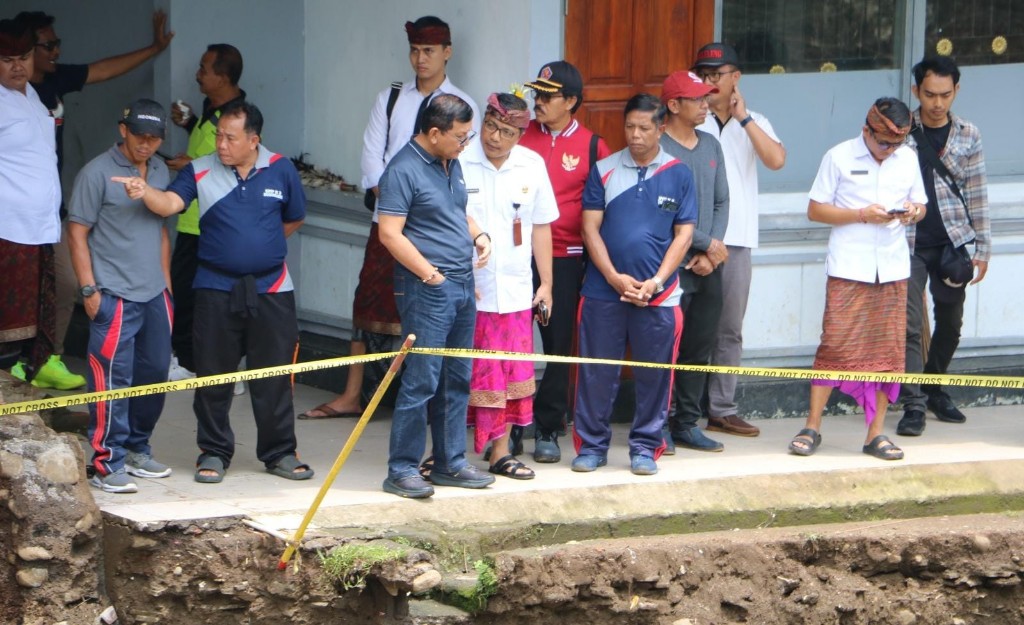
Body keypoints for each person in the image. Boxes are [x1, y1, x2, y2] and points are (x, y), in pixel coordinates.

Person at [113, 100, 313, 484]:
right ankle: (214, 452)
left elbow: (294, 216)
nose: (220, 144)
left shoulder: (281, 169)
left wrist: (259, 250)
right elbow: (171, 203)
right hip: (214, 288)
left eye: (230, 137)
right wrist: (145, 192)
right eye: (219, 135)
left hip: (272, 288)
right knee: (212, 376)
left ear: (254, 140)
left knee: (273, 376)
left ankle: (280, 452)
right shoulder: (199, 170)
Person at [299, 15, 480, 420]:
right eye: (415, 50)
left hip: (436, 231)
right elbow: (372, 163)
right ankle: (351, 393)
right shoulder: (392, 97)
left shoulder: (461, 107)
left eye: (429, 51)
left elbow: (464, 169)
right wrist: (401, 203)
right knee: (366, 302)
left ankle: (430, 403)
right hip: (389, 224)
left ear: (447, 53)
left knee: (431, 313)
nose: (420, 59)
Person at [12, 9, 174, 390]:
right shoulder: (10, 95)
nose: (55, 51)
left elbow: (102, 70)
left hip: (49, 210)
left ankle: (46, 357)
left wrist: (153, 48)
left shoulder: (53, 82)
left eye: (57, 44)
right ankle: (18, 360)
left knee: (63, 284)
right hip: (13, 211)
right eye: (47, 45)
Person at [789, 98, 926, 461]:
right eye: (883, 143)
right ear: (866, 130)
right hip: (850, 267)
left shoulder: (908, 158)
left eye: (896, 145)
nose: (889, 151)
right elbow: (815, 209)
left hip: (894, 269)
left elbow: (922, 204)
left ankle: (875, 434)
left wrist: (914, 211)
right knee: (834, 346)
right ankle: (812, 426)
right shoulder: (839, 156)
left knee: (889, 355)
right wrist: (861, 215)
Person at [572, 93, 697, 476]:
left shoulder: (680, 172)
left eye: (644, 128)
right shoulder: (604, 169)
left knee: (655, 374)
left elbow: (684, 234)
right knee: (596, 371)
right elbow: (589, 228)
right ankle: (591, 447)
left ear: (661, 128)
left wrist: (656, 282)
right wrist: (612, 276)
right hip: (601, 291)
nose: (635, 135)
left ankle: (645, 447)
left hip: (658, 297)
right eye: (630, 127)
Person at [376, 94, 494, 499]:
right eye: (460, 136)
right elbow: (389, 234)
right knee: (422, 379)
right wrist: (431, 276)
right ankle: (403, 468)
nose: (466, 143)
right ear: (433, 133)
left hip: (462, 283)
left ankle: (450, 462)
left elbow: (455, 209)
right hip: (427, 287)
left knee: (457, 377)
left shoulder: (451, 161)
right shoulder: (402, 170)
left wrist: (477, 235)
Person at [67, 99, 173, 494]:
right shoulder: (97, 173)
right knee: (112, 379)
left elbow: (161, 229)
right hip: (113, 292)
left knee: (155, 373)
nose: (146, 145)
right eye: (140, 136)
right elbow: (77, 234)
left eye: (154, 138)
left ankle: (136, 448)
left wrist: (167, 289)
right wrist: (89, 290)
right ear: (123, 130)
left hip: (154, 293)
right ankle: (106, 461)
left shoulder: (160, 169)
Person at [518, 60, 610, 463]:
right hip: (516, 257)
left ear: (571, 102)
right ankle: (510, 424)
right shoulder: (519, 136)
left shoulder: (592, 145)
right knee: (512, 341)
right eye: (536, 93)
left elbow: (606, 208)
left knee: (557, 345)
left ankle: (548, 426)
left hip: (567, 260)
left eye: (547, 96)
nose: (538, 102)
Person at [461, 92, 557, 479]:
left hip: (515, 292)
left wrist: (546, 283)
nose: (494, 138)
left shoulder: (531, 166)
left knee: (509, 373)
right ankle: (446, 451)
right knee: (462, 373)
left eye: (505, 132)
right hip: (470, 289)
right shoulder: (461, 161)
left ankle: (500, 452)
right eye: (490, 126)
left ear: (520, 135)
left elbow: (541, 227)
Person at [693, 42, 786, 438]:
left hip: (736, 242)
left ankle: (721, 408)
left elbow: (777, 161)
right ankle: (677, 410)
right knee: (684, 328)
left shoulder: (756, 120)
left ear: (736, 78)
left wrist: (744, 118)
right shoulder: (687, 118)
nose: (711, 82)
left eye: (718, 75)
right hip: (691, 240)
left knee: (728, 329)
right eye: (704, 75)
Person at [896, 56, 991, 437]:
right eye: (930, 94)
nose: (937, 103)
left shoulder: (969, 133)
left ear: (956, 91)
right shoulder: (900, 129)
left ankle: (934, 386)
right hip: (908, 243)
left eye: (945, 95)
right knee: (909, 326)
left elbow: (978, 193)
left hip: (953, 245)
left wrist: (982, 249)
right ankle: (913, 403)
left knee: (951, 323)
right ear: (916, 91)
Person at [659, 71, 730, 454]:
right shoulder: (658, 149)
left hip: (707, 266)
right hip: (670, 267)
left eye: (707, 98)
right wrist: (708, 246)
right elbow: (664, 214)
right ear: (673, 105)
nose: (706, 105)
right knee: (663, 349)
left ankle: (686, 423)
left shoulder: (710, 145)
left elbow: (722, 201)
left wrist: (710, 251)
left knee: (699, 347)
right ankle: (658, 424)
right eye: (698, 99)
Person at [165, 43, 246, 382]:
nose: (197, 74)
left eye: (203, 69)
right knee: (190, 294)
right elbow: (210, 149)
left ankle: (190, 363)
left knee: (197, 297)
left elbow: (237, 165)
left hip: (210, 224)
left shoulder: (240, 117)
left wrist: (190, 166)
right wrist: (190, 124)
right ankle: (203, 362)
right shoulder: (212, 110)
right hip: (191, 219)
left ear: (223, 77)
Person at [0, 19, 61, 385]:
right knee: (6, 330)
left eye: (23, 57)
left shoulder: (33, 96)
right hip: (7, 230)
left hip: (39, 230)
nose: (18, 66)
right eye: (7, 59)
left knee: (27, 331)